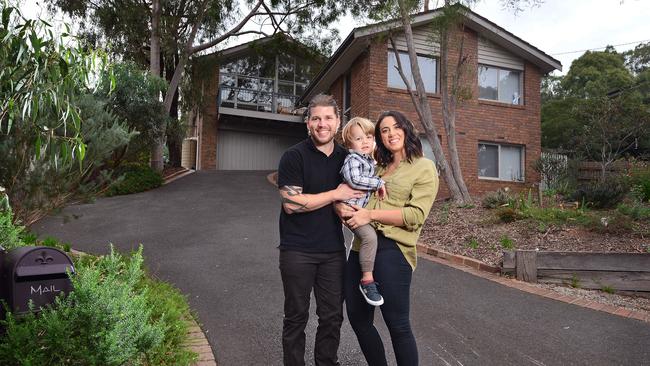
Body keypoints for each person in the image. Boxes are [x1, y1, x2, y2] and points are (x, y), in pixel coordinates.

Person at [339, 110, 439, 366]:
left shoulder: (423, 167)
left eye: (396, 127)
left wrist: (369, 214)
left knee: (398, 325)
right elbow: (352, 192)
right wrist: (340, 207)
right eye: (384, 130)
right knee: (358, 318)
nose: (391, 133)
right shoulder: (376, 166)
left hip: (394, 249)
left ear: (406, 130)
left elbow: (415, 215)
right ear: (379, 137)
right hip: (362, 247)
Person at [277, 94, 364, 366]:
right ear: (307, 123)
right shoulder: (293, 156)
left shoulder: (347, 159)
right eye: (316, 118)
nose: (322, 124)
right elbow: (292, 203)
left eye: (328, 118)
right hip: (297, 250)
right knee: (296, 316)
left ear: (338, 122)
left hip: (332, 252)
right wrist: (334, 194)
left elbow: (356, 194)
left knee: (331, 316)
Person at [340, 117, 387, 307]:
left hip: (358, 208)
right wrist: (379, 183)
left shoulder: (368, 160)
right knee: (370, 238)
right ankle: (367, 280)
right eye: (359, 139)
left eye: (368, 137)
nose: (365, 142)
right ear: (350, 144)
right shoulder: (353, 159)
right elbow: (354, 180)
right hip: (350, 208)